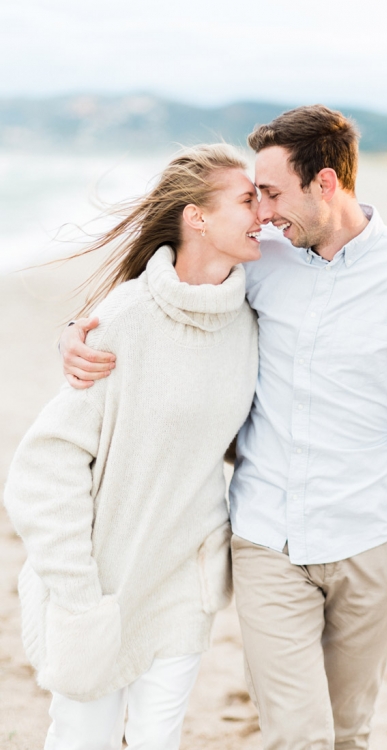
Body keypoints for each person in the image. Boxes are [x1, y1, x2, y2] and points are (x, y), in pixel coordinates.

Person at [58, 107, 387, 750]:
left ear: (324, 184)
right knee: (297, 735)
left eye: (270, 193)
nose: (263, 213)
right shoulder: (260, 261)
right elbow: (167, 295)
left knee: (348, 733)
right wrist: (73, 336)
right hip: (267, 535)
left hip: (374, 535)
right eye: (254, 197)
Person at [4, 144, 263, 750]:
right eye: (248, 200)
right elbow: (42, 469)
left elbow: (254, 434)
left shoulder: (252, 321)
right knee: (81, 739)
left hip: (183, 583)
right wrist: (77, 596)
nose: (263, 215)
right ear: (196, 217)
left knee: (158, 739)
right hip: (100, 587)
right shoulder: (123, 319)